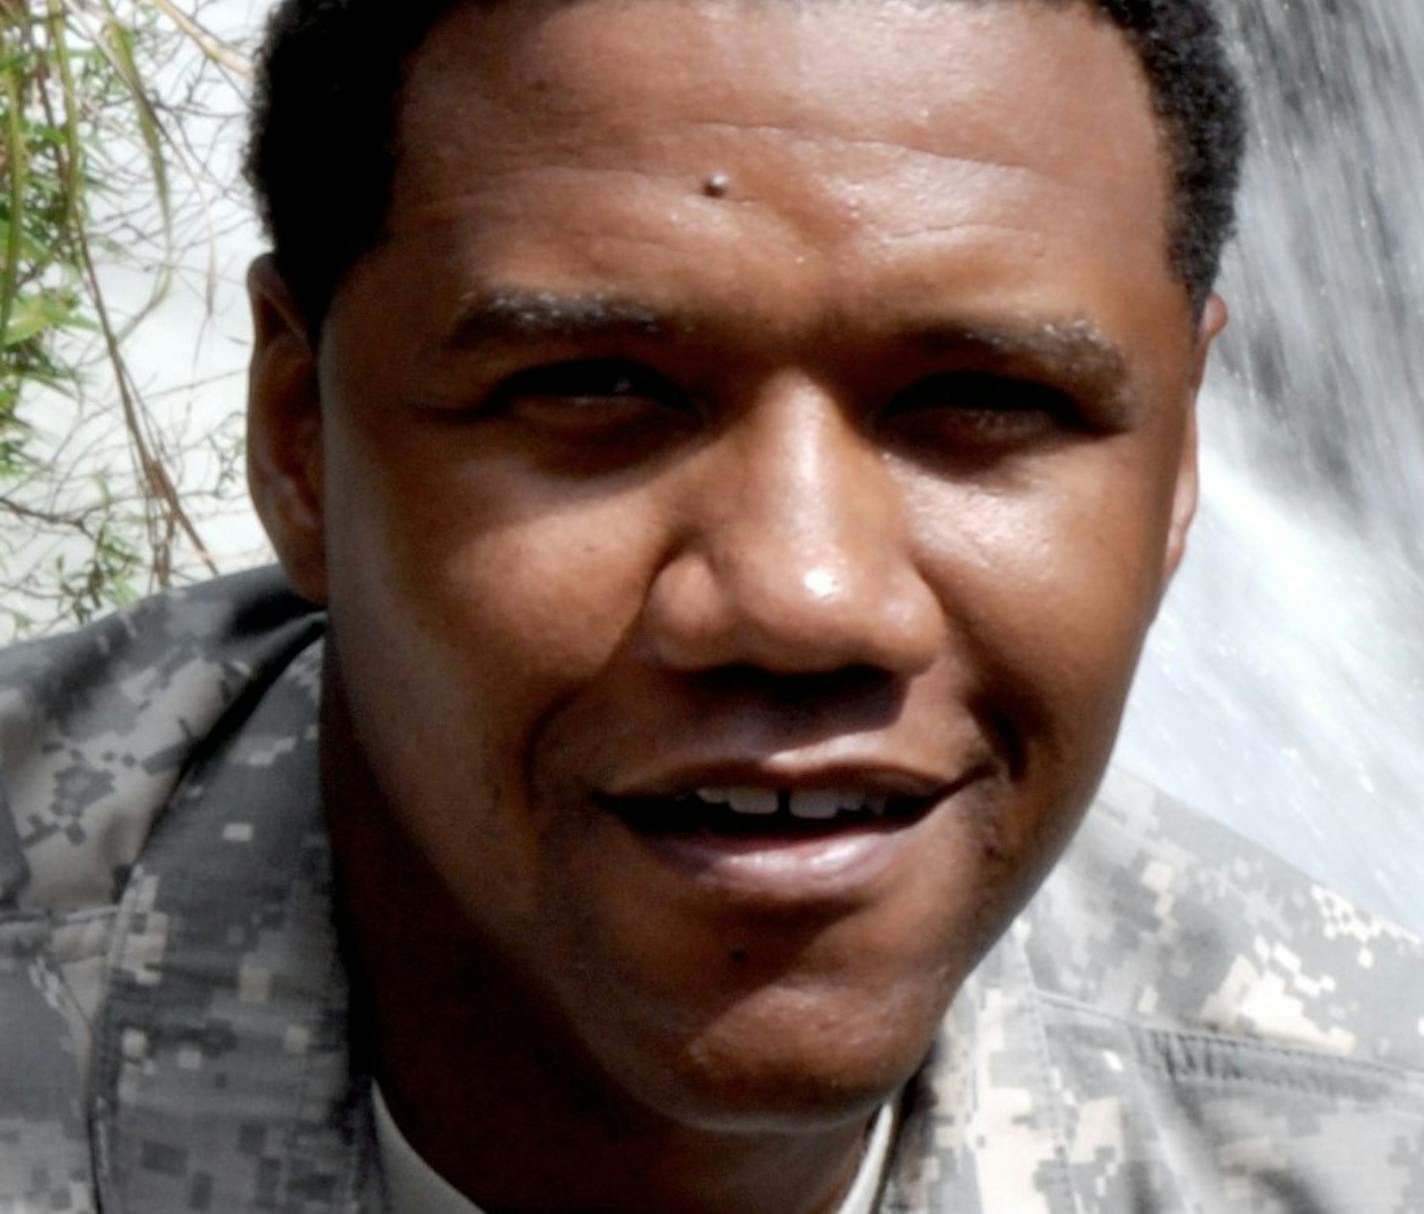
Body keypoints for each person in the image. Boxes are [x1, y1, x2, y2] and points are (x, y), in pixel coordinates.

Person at [1, 0, 1420, 1210]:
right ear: (297, 437)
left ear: (1182, 466)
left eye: (985, 401)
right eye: (594, 389)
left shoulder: (1362, 1133)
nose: (804, 600)